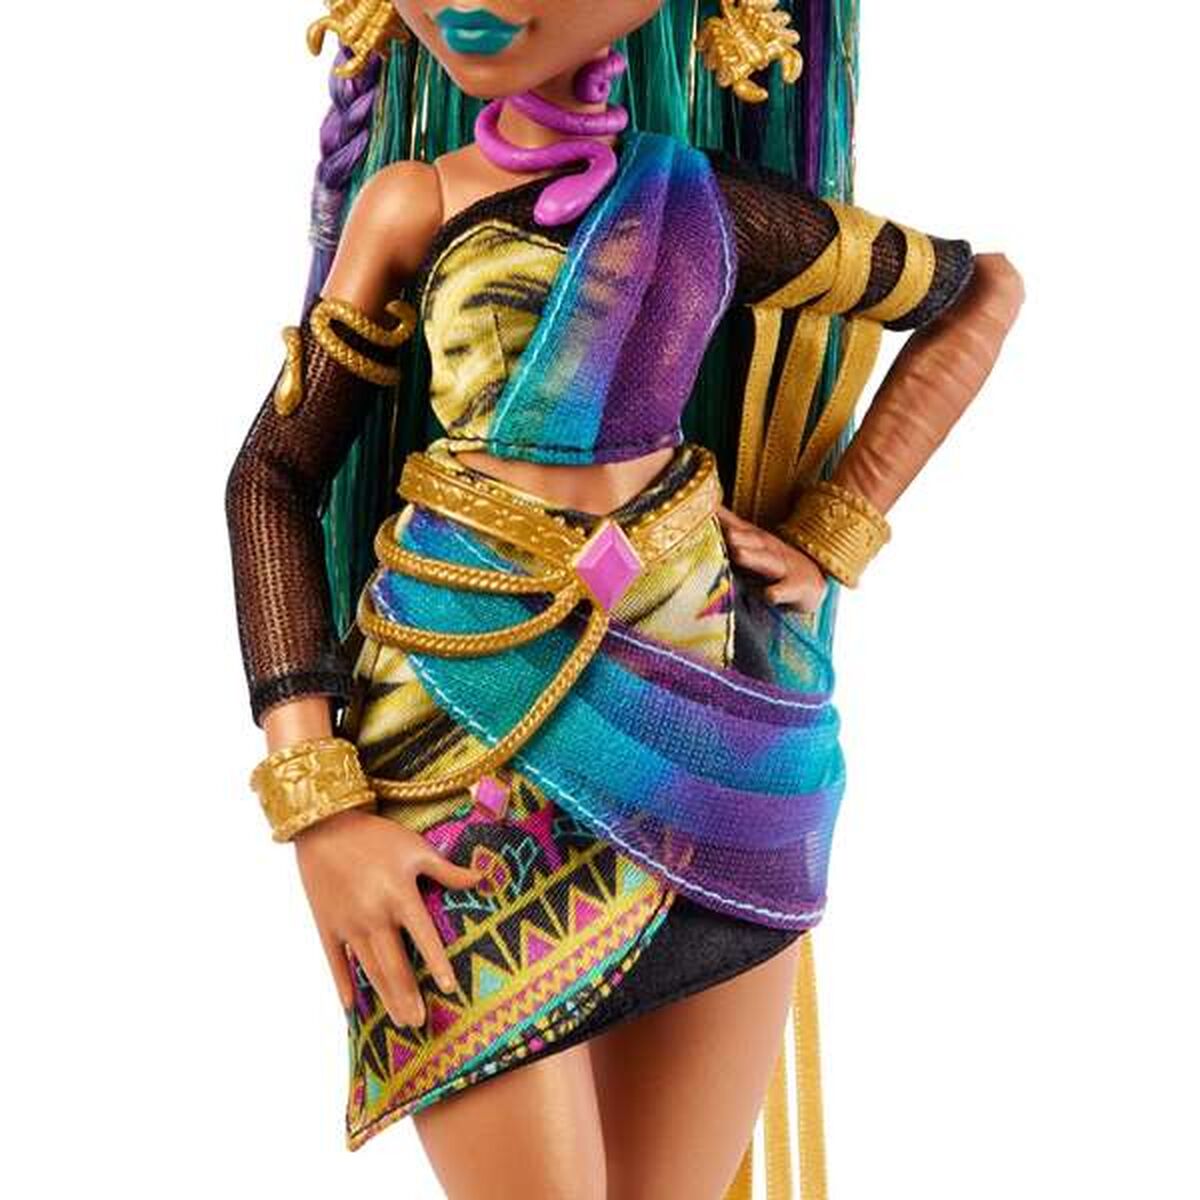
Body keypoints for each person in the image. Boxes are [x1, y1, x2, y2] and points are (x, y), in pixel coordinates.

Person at [224, 3, 1025, 1197]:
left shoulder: (706, 206)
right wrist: (319, 805)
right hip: (459, 736)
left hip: (720, 757)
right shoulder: (413, 207)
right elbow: (273, 478)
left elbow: (980, 293)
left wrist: (837, 530)